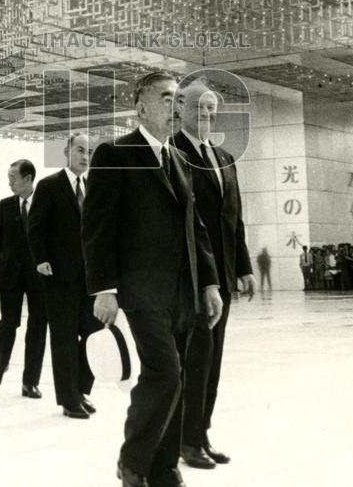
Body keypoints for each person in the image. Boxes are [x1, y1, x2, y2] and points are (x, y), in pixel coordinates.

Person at [82, 71, 222, 487]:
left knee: (174, 375)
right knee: (165, 372)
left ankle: (163, 467)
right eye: (165, 97)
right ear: (140, 106)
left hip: (183, 292)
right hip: (140, 291)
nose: (175, 106)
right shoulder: (114, 153)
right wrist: (104, 289)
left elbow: (194, 227)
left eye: (178, 99)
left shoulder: (179, 158)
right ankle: (133, 463)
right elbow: (97, 226)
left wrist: (210, 284)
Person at [173, 77, 254, 469]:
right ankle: (185, 441)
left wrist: (243, 267)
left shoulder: (224, 158)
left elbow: (233, 219)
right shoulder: (172, 152)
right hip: (191, 277)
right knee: (194, 359)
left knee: (213, 359)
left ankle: (201, 433)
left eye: (210, 109)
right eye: (198, 107)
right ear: (179, 109)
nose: (205, 114)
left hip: (222, 275)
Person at [27, 133, 104, 419]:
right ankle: (69, 400)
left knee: (97, 333)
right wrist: (41, 259)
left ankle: (81, 388)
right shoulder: (49, 186)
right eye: (81, 150)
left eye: (90, 151)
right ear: (67, 152)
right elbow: (35, 227)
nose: (86, 156)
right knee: (64, 339)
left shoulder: (95, 186)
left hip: (91, 277)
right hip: (59, 275)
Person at [0, 160, 47, 398]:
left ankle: (30, 381)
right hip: (10, 274)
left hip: (39, 276)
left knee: (38, 327)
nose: (9, 182)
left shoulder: (44, 203)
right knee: (7, 323)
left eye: (13, 177)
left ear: (28, 179)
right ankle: (2, 363)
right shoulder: (5, 206)